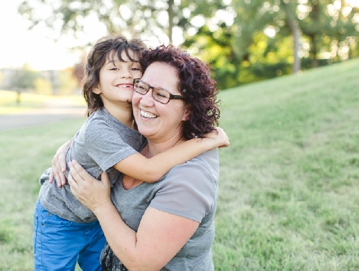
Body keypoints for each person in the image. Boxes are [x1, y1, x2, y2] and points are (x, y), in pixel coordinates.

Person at [33, 35, 228, 271]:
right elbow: (108, 142)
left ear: (188, 109)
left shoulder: (187, 177)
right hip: (60, 216)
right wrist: (68, 146)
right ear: (96, 85)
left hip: (93, 219)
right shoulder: (137, 127)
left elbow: (141, 262)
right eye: (143, 87)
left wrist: (100, 204)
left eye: (161, 94)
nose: (145, 101)